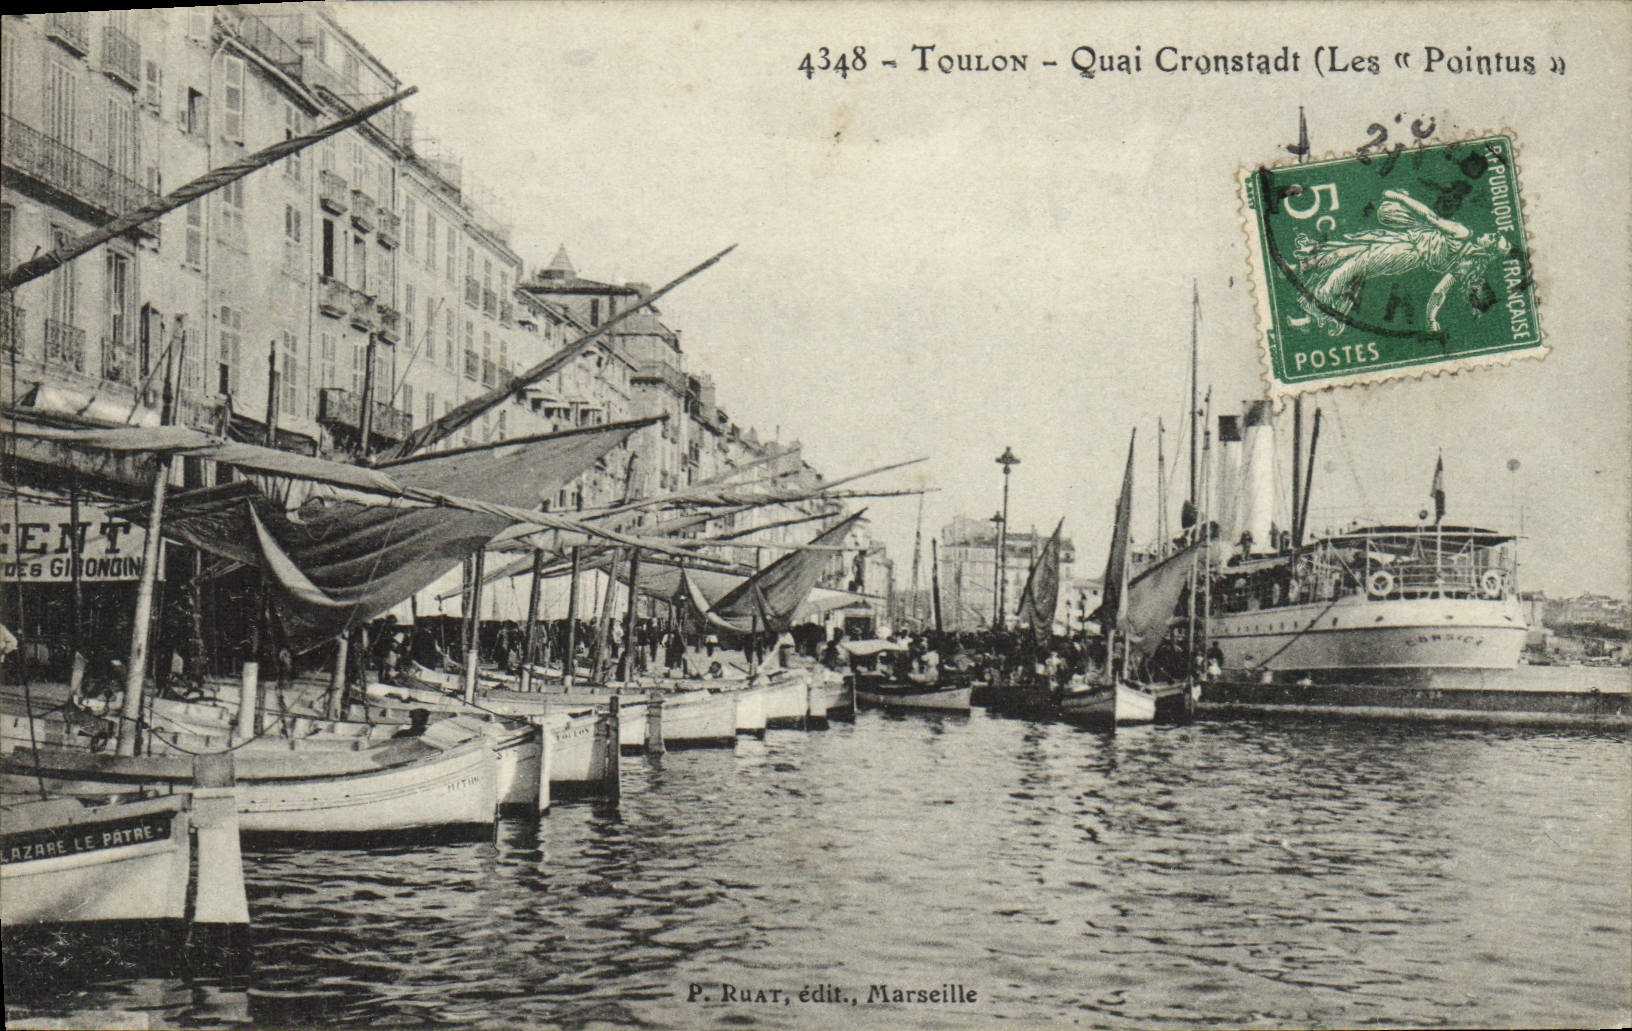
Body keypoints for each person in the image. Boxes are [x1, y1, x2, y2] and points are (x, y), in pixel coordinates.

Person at [1292, 188, 1512, 336]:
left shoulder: (1463, 233)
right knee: (1348, 249)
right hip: (1404, 240)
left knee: (1355, 264)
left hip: (1406, 251)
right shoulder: (1463, 265)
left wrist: (1399, 198)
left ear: (1487, 249)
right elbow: (1438, 293)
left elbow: (1429, 217)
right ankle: (1301, 268)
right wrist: (1431, 320)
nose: (1488, 234)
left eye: (1492, 238)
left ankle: (1312, 312)